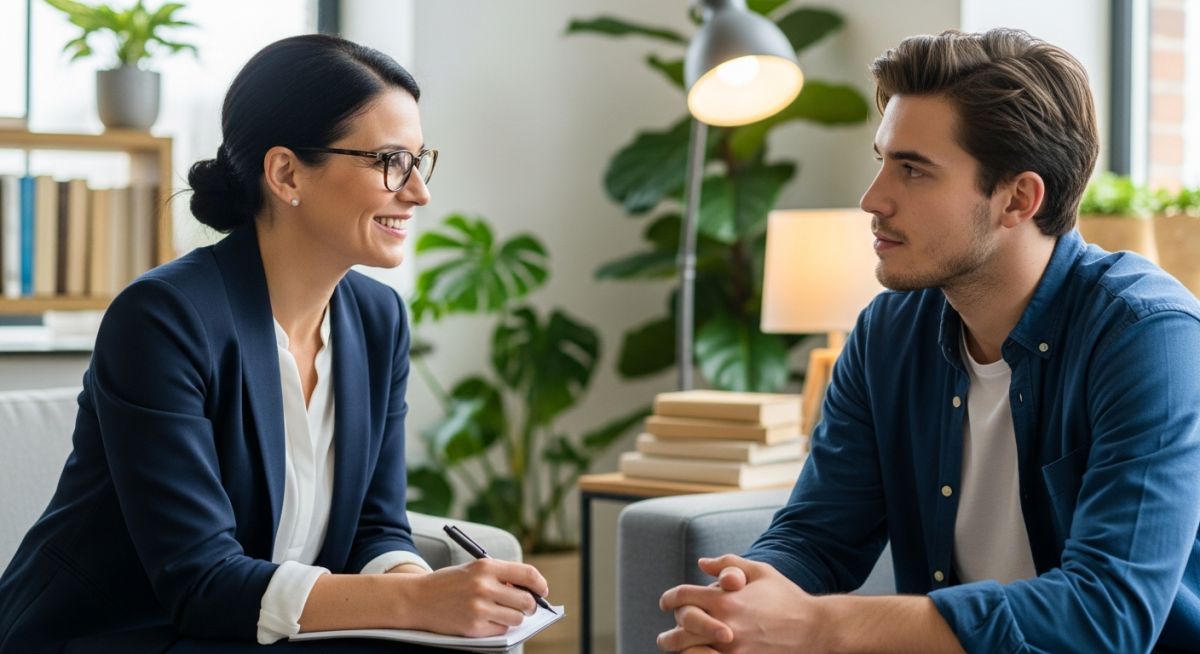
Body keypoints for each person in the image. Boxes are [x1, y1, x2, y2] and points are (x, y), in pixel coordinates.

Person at [658, 28, 1200, 654]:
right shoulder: (889, 334)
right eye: (882, 159)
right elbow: (818, 536)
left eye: (913, 170)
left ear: (1018, 199)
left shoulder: (1148, 337)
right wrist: (740, 602)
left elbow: (1107, 614)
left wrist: (821, 626)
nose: (873, 199)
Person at [0, 34, 547, 653]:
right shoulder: (163, 318)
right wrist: (417, 602)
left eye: (421, 160)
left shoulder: (377, 319)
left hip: (257, 634)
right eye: (391, 161)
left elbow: (376, 526)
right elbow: (201, 580)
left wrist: (425, 599)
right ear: (286, 172)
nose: (418, 191)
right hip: (123, 632)